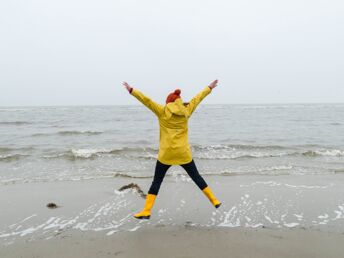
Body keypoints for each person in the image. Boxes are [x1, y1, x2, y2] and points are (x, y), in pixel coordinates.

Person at [123, 80, 221, 219]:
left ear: (168, 102)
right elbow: (198, 98)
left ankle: (147, 211)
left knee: (156, 182)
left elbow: (147, 101)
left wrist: (131, 90)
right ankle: (214, 200)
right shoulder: (187, 111)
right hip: (183, 153)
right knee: (196, 177)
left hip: (166, 155)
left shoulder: (162, 111)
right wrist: (209, 87)